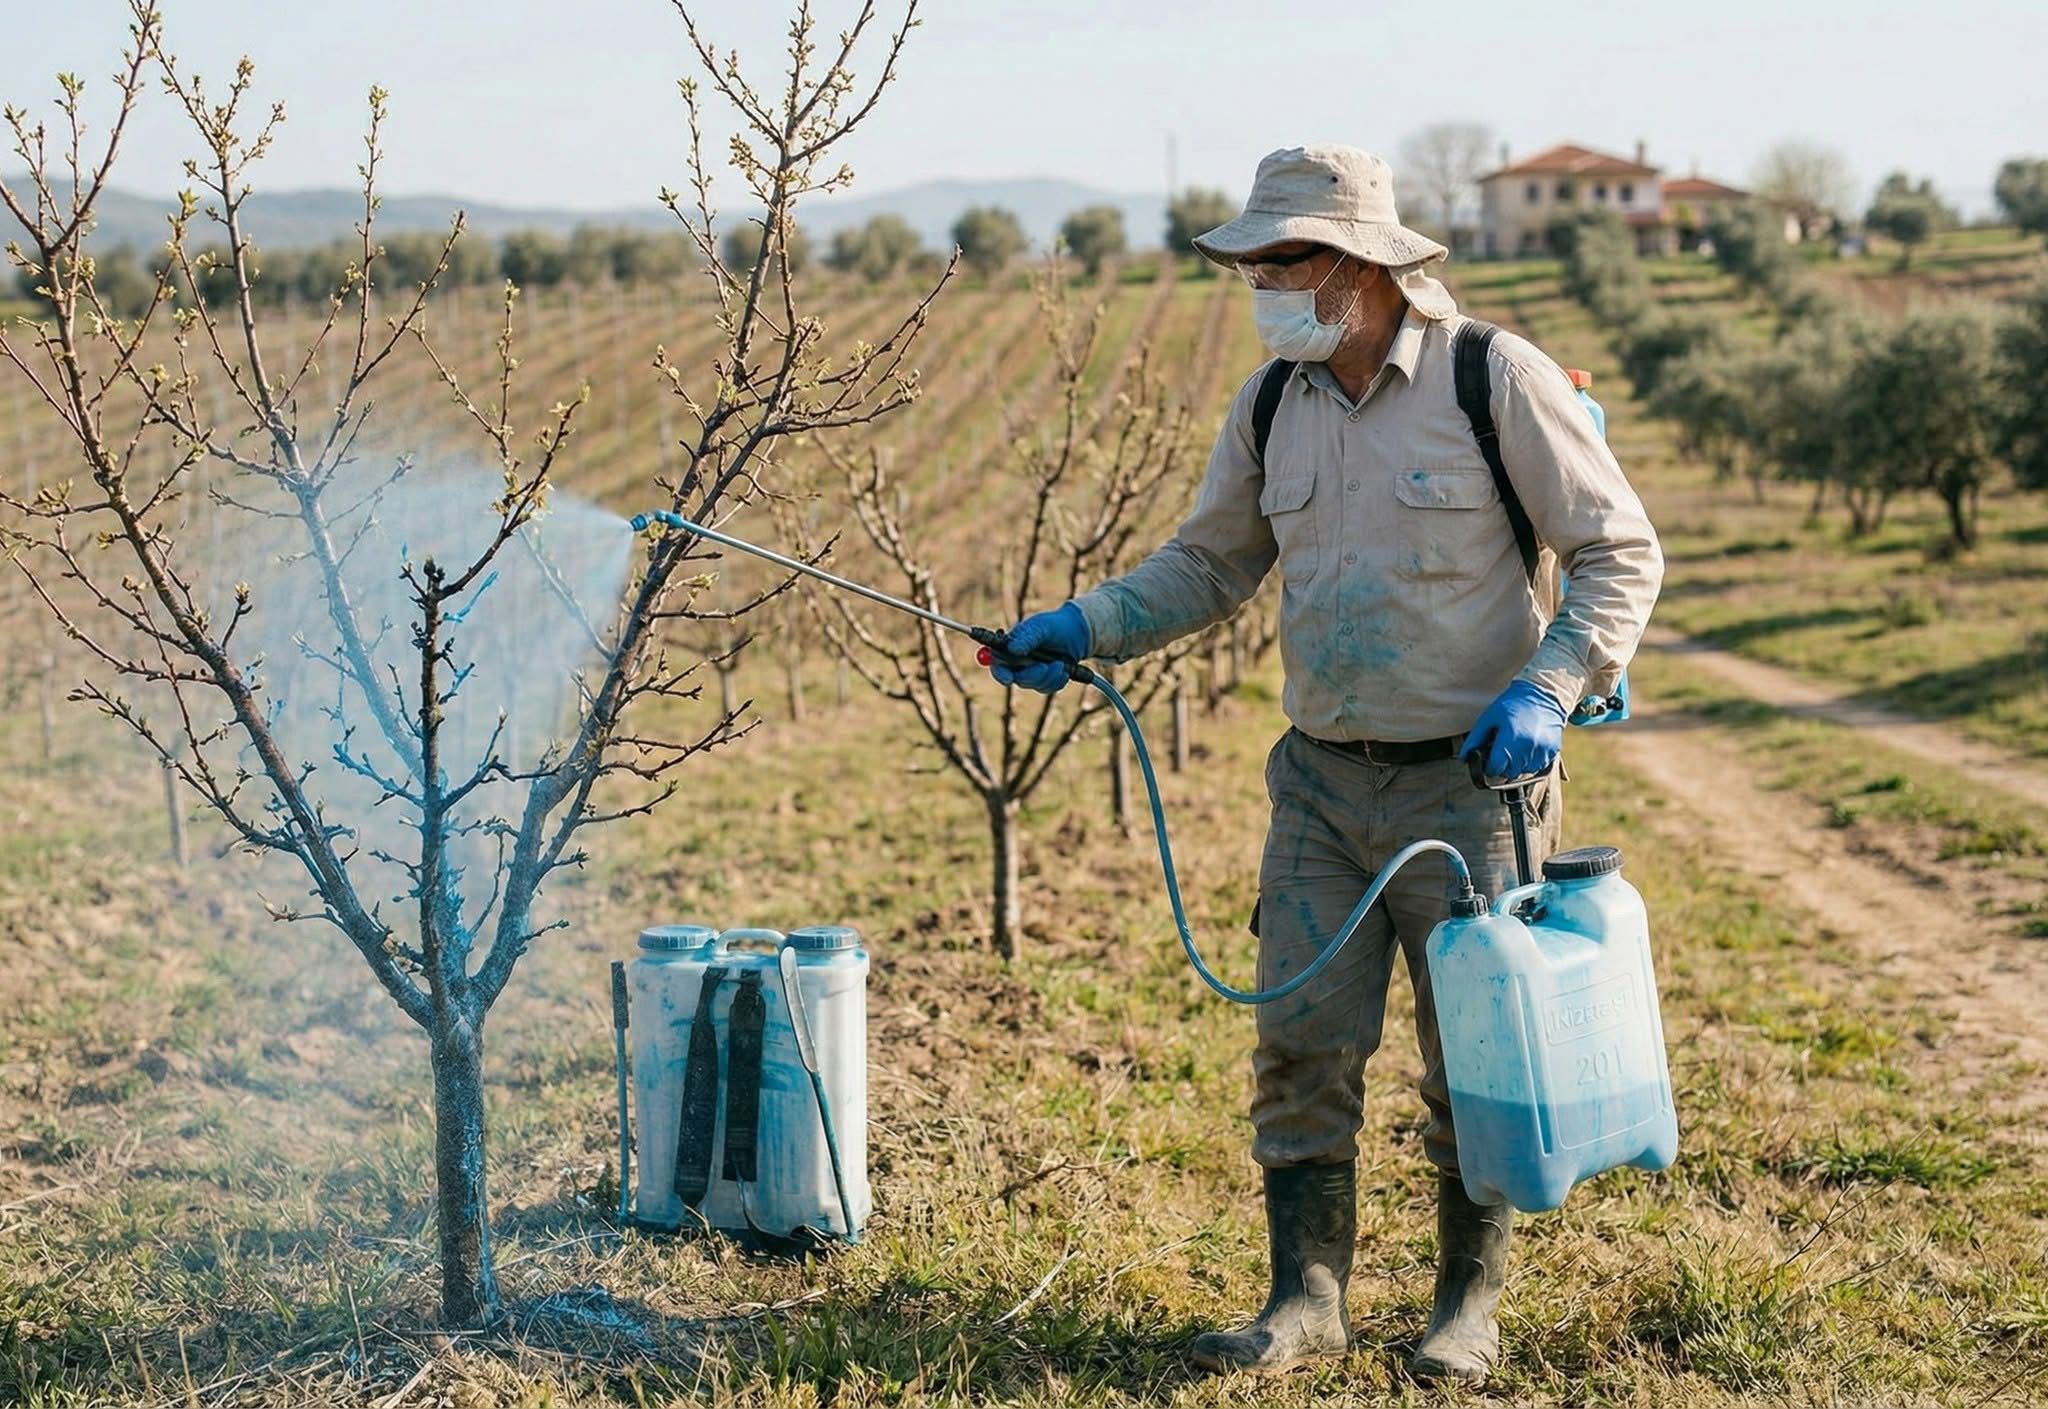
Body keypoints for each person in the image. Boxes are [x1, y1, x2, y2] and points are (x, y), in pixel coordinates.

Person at [985, 145, 1663, 1386]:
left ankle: (1469, 1299)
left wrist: (1548, 686)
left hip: (1471, 784)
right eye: (1250, 261)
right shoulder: (1270, 403)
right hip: (1318, 786)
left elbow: (1617, 550)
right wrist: (1081, 623)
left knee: (1478, 1059)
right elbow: (1209, 563)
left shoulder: (1486, 378)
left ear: (1360, 266)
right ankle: (1304, 1297)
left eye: (1280, 258)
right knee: (1298, 1045)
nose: (1258, 280)